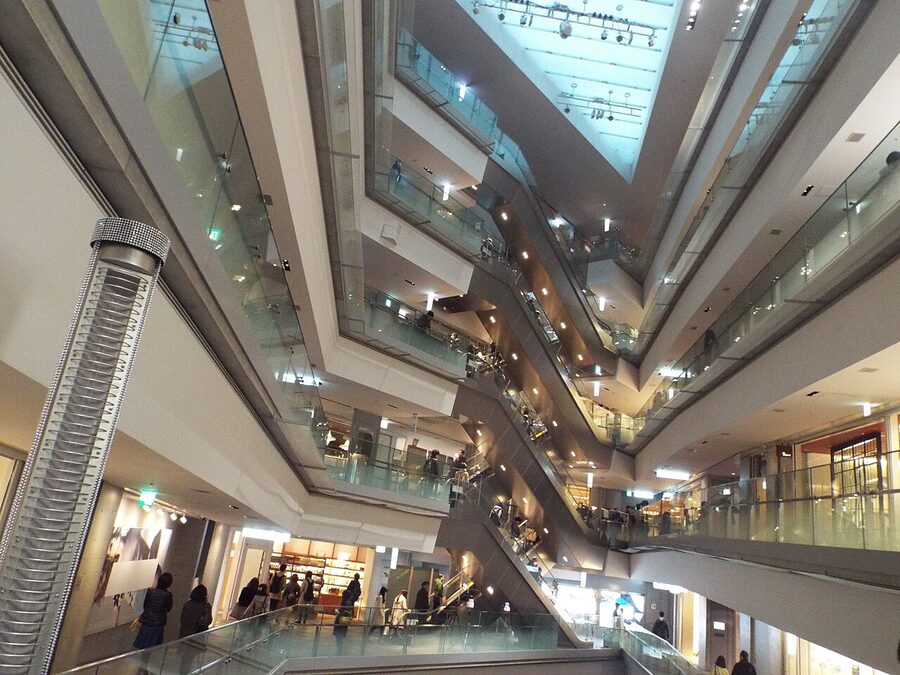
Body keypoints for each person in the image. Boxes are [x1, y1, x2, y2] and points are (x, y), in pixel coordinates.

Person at [133, 572, 174, 649]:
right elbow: (168, 608)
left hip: (147, 621)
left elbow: (145, 605)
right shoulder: (168, 595)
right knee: (152, 647)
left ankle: (140, 659)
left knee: (142, 644)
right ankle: (146, 660)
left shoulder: (151, 592)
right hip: (157, 624)